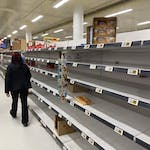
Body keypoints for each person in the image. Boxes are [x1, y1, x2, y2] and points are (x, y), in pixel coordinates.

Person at [5, 52, 32, 127]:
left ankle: (13, 113)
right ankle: (25, 121)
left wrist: (7, 90)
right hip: (24, 87)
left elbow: (8, 79)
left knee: (15, 101)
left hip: (14, 88)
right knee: (24, 103)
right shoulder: (24, 66)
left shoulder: (10, 66)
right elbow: (29, 76)